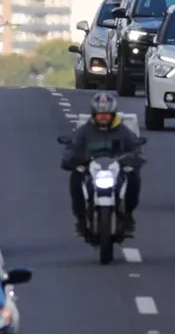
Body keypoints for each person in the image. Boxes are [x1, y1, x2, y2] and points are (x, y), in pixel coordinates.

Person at [61, 91, 144, 237]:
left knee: (133, 177)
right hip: (91, 169)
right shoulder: (84, 131)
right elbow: (72, 147)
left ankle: (128, 214)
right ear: (94, 114)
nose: (103, 117)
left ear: (113, 114)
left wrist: (133, 158)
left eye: (106, 114)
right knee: (75, 178)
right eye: (100, 114)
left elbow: (134, 148)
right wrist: (72, 159)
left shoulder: (123, 131)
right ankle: (80, 219)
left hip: (116, 168)